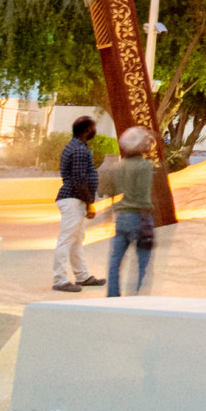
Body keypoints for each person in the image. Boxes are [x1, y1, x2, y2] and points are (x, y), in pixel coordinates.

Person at [51, 117, 104, 292]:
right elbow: (79, 179)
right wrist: (90, 203)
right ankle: (59, 280)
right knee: (67, 240)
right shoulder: (79, 150)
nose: (95, 131)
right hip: (74, 199)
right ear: (87, 129)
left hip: (75, 199)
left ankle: (82, 276)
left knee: (76, 240)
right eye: (94, 128)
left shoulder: (75, 146)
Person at [105, 127, 158, 297]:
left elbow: (111, 192)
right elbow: (144, 194)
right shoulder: (145, 167)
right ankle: (137, 297)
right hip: (140, 217)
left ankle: (113, 296)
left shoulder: (118, 166)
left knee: (115, 262)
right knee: (143, 262)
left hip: (121, 217)